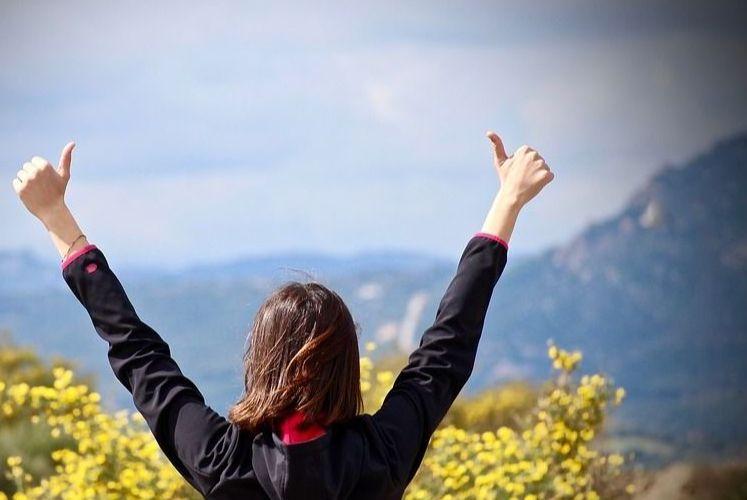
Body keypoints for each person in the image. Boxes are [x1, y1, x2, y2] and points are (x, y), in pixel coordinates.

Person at [11, 131, 553, 499]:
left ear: (260, 360)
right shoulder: (380, 456)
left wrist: (56, 216)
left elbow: (137, 353)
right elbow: (448, 347)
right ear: (346, 364)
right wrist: (507, 203)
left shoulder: (222, 461)